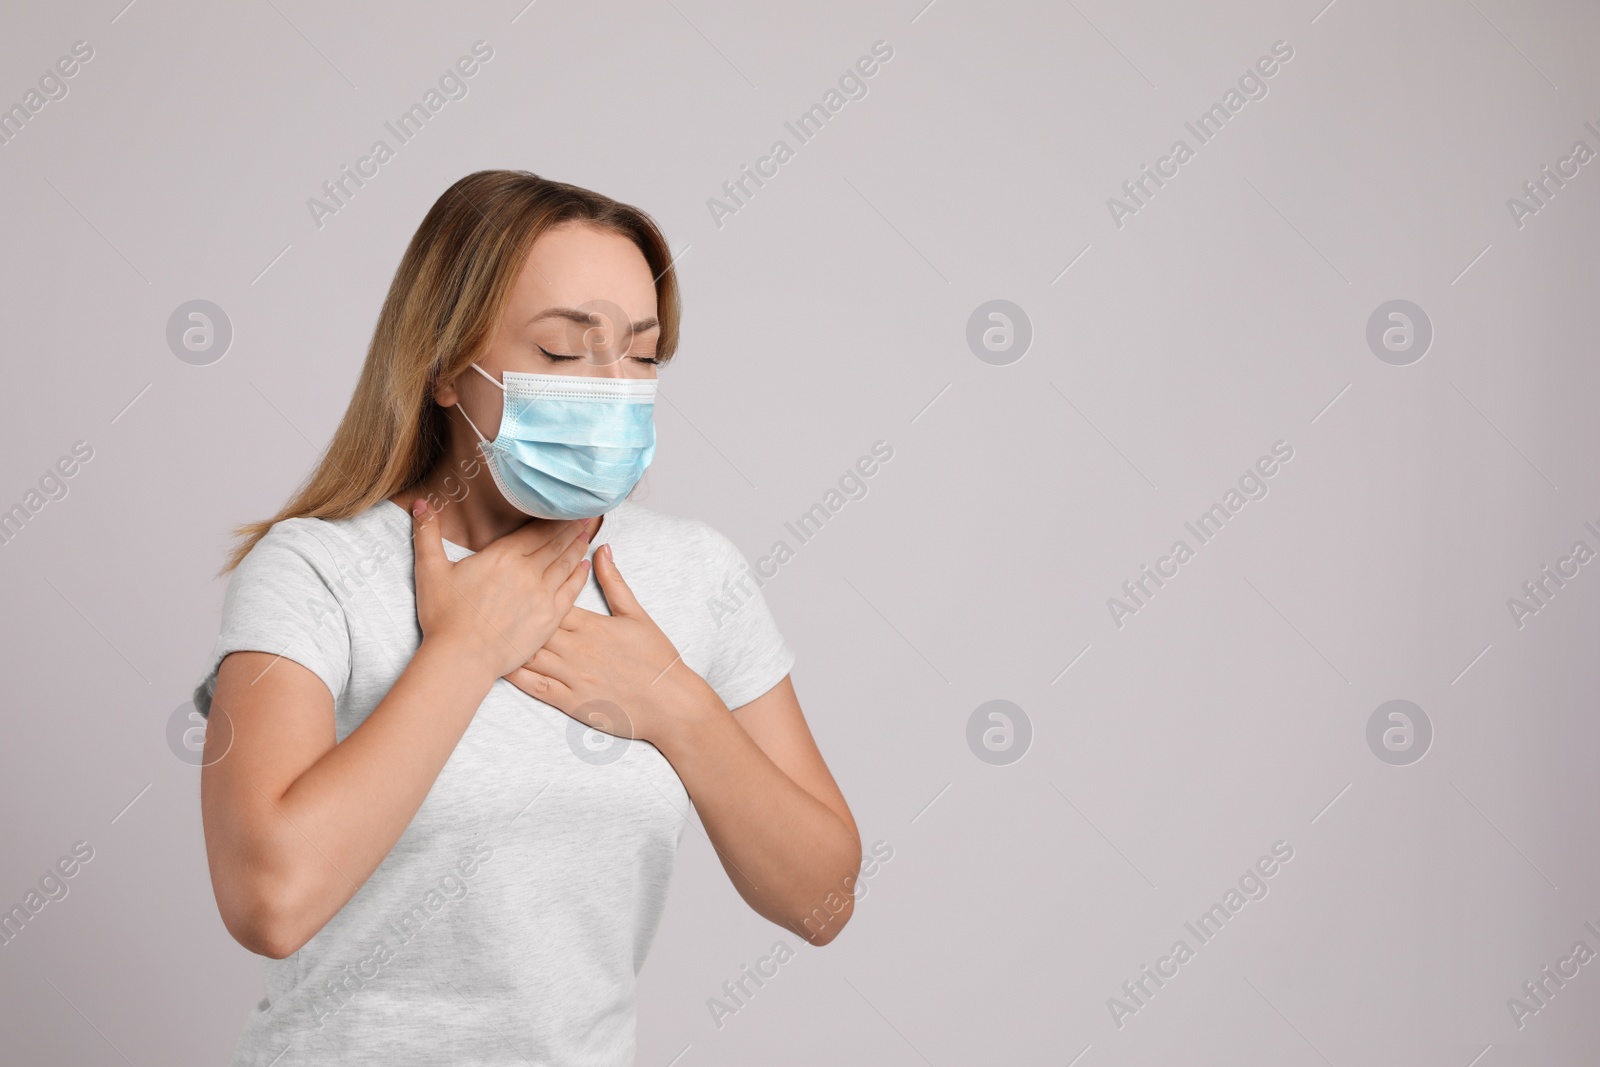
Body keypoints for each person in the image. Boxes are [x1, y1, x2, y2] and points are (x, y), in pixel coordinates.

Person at [192, 169, 860, 1066]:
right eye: (561, 352)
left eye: (642, 352)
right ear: (441, 367)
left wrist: (676, 706)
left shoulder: (695, 574)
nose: (613, 386)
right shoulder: (316, 571)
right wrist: (462, 655)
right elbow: (267, 901)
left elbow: (823, 901)